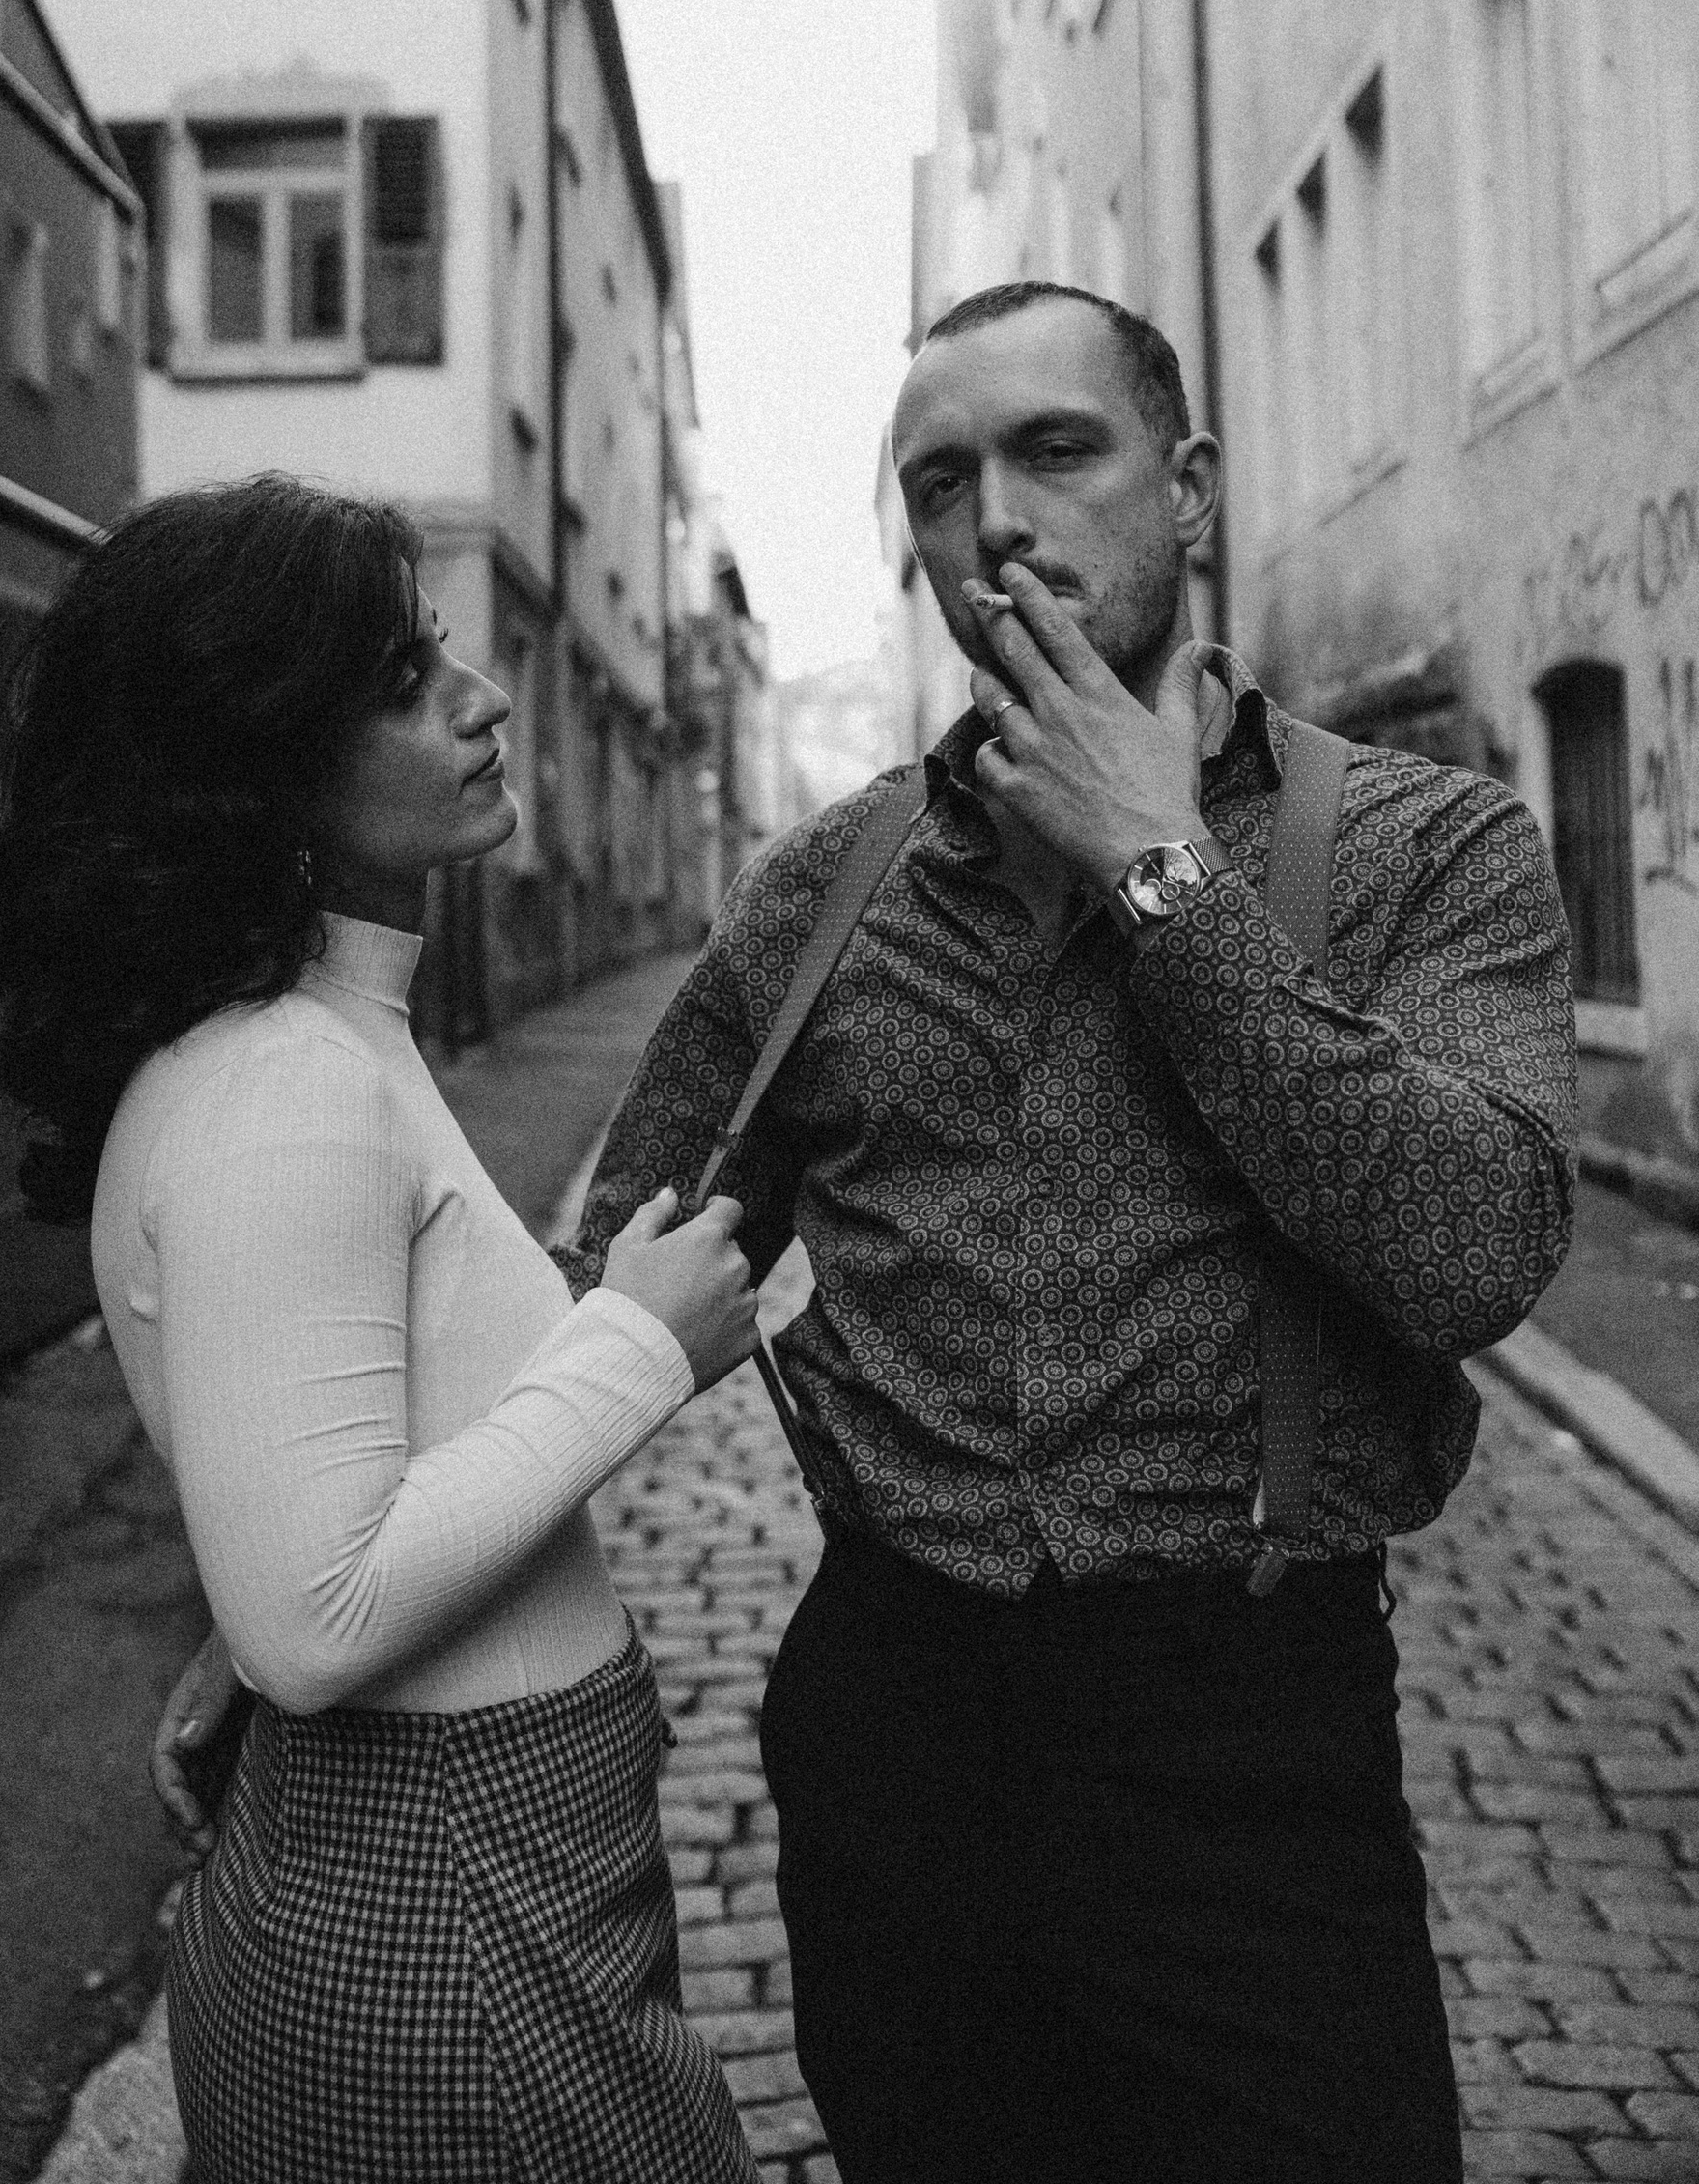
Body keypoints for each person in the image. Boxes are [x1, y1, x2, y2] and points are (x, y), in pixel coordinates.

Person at [156, 283, 1576, 2182]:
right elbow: (596, 1279)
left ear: (1189, 488)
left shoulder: (1430, 846)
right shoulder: (826, 891)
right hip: (899, 1733)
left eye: (1056, 452)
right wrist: (285, 1567)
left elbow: (1475, 1252)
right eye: (940, 483)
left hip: (1245, 1737)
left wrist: (1158, 871)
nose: (998, 520)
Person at [0, 474, 760, 2184]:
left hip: (474, 1883)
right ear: (258, 771)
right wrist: (639, 1350)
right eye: (408, 685)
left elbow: (333, 1479)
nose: (483, 703)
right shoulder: (289, 1091)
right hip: (456, 1920)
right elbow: (312, 1614)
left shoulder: (324, 1044)